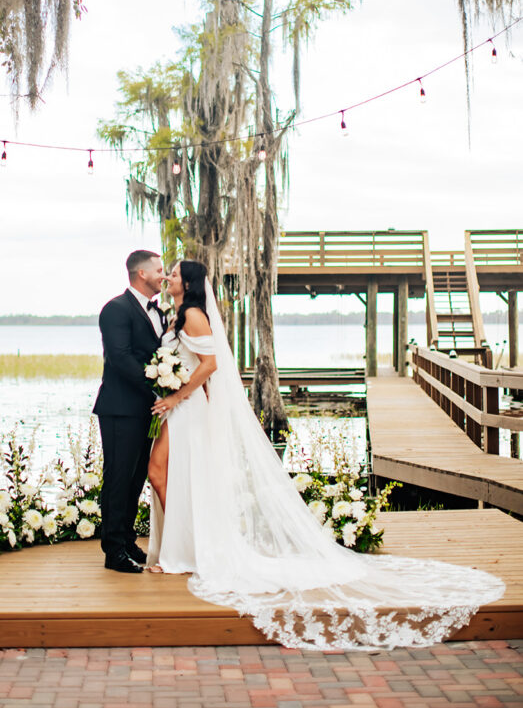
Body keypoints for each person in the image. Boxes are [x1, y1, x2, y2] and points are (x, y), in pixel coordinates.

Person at [144, 258, 505, 649]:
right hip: (178, 409)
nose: (169, 277)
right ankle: (186, 548)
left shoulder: (195, 314)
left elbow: (212, 364)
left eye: (175, 273)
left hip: (187, 408)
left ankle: (188, 551)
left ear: (190, 282)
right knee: (168, 474)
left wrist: (179, 393)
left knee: (165, 473)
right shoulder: (176, 315)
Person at [95, 249, 166, 573]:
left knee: (136, 477)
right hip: (120, 409)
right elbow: (120, 358)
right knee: (119, 477)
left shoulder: (158, 311)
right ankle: (113, 551)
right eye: (159, 270)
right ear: (142, 274)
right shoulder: (116, 309)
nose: (163, 276)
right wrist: (158, 387)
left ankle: (126, 540)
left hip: (145, 410)